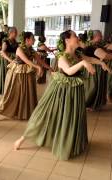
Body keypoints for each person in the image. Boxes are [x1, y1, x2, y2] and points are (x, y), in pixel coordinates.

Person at [13, 30, 95, 160]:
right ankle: (23, 138)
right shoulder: (62, 56)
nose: (77, 37)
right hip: (60, 91)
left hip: (74, 91)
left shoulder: (77, 54)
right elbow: (68, 70)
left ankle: (69, 142)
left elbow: (89, 58)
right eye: (74, 36)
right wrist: (83, 63)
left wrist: (100, 62)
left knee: (70, 116)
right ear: (67, 40)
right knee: (46, 114)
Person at [0, 31, 43, 121]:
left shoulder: (31, 50)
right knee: (11, 94)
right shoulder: (19, 49)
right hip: (17, 73)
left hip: (27, 73)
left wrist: (50, 68)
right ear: (27, 40)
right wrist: (37, 67)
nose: (34, 40)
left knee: (26, 94)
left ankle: (25, 113)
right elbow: (26, 61)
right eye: (33, 38)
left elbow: (40, 61)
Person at [82, 30, 112, 110]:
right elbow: (104, 55)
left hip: (95, 67)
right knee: (93, 86)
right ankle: (87, 104)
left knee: (96, 86)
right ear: (96, 36)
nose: (102, 37)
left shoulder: (90, 44)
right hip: (95, 68)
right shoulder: (93, 46)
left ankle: (92, 104)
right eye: (100, 35)